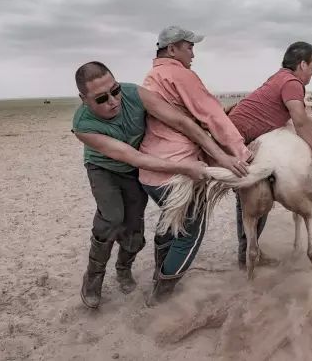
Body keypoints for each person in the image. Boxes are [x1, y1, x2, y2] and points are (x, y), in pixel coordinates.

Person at [72, 61, 246, 309]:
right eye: (101, 99)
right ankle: (93, 277)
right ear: (84, 99)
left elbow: (181, 122)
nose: (113, 101)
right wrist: (187, 168)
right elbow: (134, 157)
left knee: (133, 226)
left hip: (136, 169)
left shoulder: (135, 94)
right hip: (106, 169)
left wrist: (221, 155)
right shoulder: (83, 126)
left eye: (115, 90)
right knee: (111, 217)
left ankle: (123, 268)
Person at [138, 25, 252, 303]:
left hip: (149, 172)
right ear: (172, 48)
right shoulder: (180, 74)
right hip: (178, 171)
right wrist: (241, 152)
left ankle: (158, 275)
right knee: (191, 232)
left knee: (168, 223)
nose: (193, 53)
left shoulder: (152, 76)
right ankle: (162, 293)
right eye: (189, 47)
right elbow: (213, 115)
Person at [227, 41, 312, 269]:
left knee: (254, 196)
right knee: (247, 197)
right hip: (236, 141)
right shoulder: (292, 82)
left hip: (235, 134)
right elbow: (299, 122)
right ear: (302, 64)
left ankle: (249, 252)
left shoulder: (279, 77)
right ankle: (247, 252)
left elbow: (296, 115)